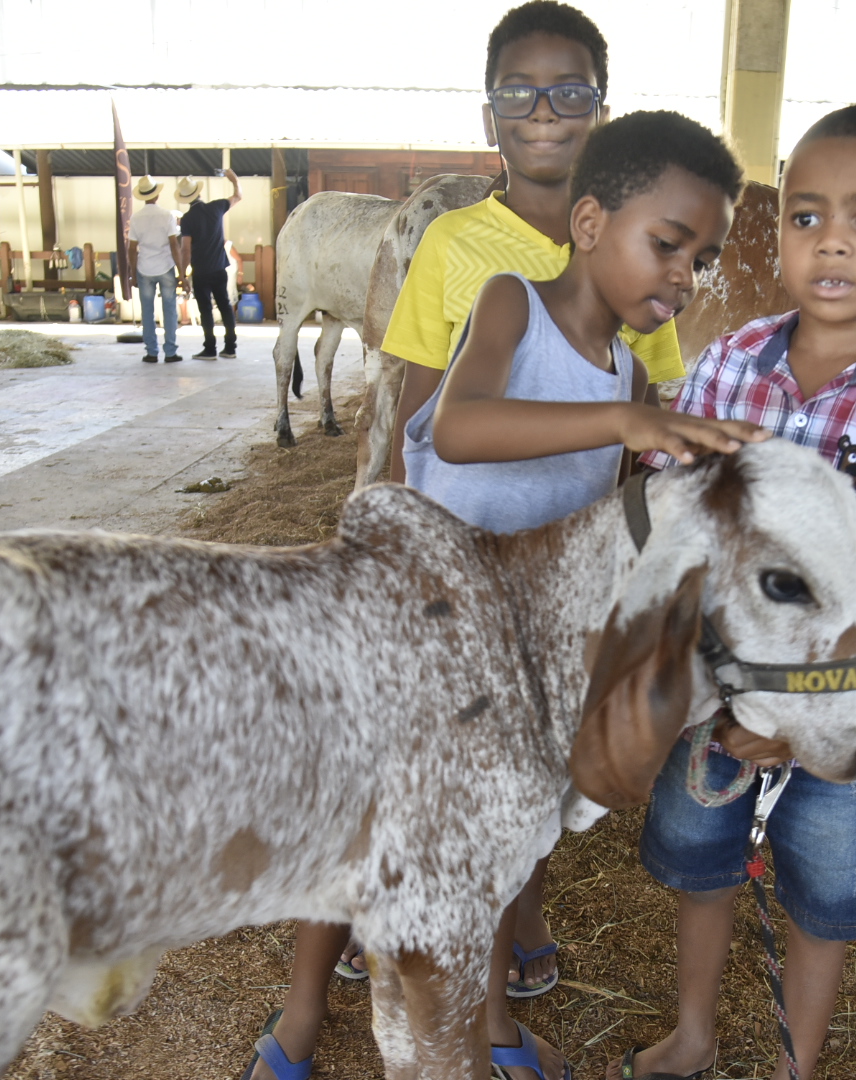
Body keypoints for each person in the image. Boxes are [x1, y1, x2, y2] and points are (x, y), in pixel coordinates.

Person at [235, 110, 762, 1080]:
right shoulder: (513, 304)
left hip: (516, 649)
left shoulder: (629, 369)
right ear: (591, 224)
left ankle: (491, 1027)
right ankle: (302, 1014)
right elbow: (462, 428)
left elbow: (597, 517)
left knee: (493, 841)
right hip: (426, 623)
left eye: (704, 258)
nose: (686, 276)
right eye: (668, 245)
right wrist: (624, 421)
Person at [611, 104, 856, 1080]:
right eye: (805, 216)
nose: (832, 241)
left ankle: (797, 1067)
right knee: (704, 870)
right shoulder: (725, 366)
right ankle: (694, 1034)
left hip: (843, 708)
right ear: (777, 233)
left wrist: (806, 702)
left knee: (820, 904)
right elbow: (671, 517)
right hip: (718, 699)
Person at [178, 168, 242, 359]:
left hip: (201, 270)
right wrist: (234, 180)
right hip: (219, 267)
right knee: (225, 305)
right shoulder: (217, 207)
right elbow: (238, 196)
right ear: (198, 193)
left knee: (205, 310)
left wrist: (183, 274)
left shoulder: (187, 219)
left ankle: (210, 348)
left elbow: (186, 249)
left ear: (186, 199)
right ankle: (230, 347)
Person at [127, 175, 186, 363]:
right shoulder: (167, 216)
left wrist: (132, 273)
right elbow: (174, 245)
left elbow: (132, 249)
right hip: (165, 266)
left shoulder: (135, 218)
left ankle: (151, 352)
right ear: (157, 195)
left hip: (144, 268)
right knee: (169, 310)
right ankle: (170, 352)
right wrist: (181, 273)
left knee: (147, 311)